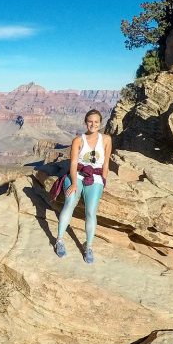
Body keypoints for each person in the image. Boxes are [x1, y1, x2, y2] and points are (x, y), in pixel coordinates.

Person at [54, 109, 111, 263]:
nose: (93, 124)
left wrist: (103, 182)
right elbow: (73, 163)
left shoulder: (106, 139)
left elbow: (106, 163)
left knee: (91, 211)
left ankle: (89, 246)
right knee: (70, 202)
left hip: (96, 177)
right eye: (90, 121)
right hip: (77, 174)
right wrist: (73, 183)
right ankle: (59, 240)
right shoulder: (78, 140)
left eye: (96, 122)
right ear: (86, 122)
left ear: (100, 123)